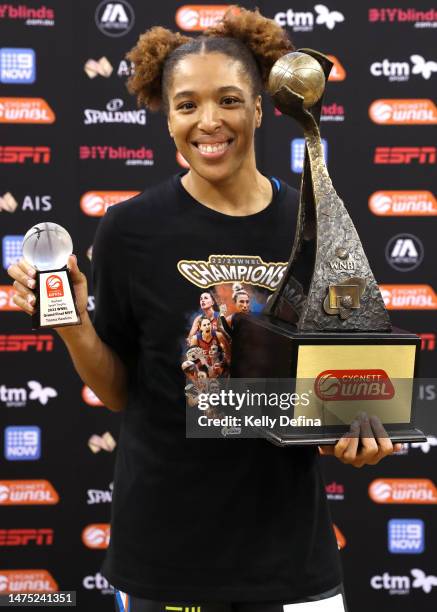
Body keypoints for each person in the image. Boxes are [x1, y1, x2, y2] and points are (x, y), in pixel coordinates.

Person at [8, 7, 401, 612]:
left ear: (261, 107)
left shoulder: (318, 224)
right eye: (187, 104)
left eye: (228, 100)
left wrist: (356, 432)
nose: (209, 121)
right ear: (167, 118)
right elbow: (119, 392)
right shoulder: (128, 229)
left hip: (290, 563)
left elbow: (337, 394)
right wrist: (73, 323)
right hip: (163, 558)